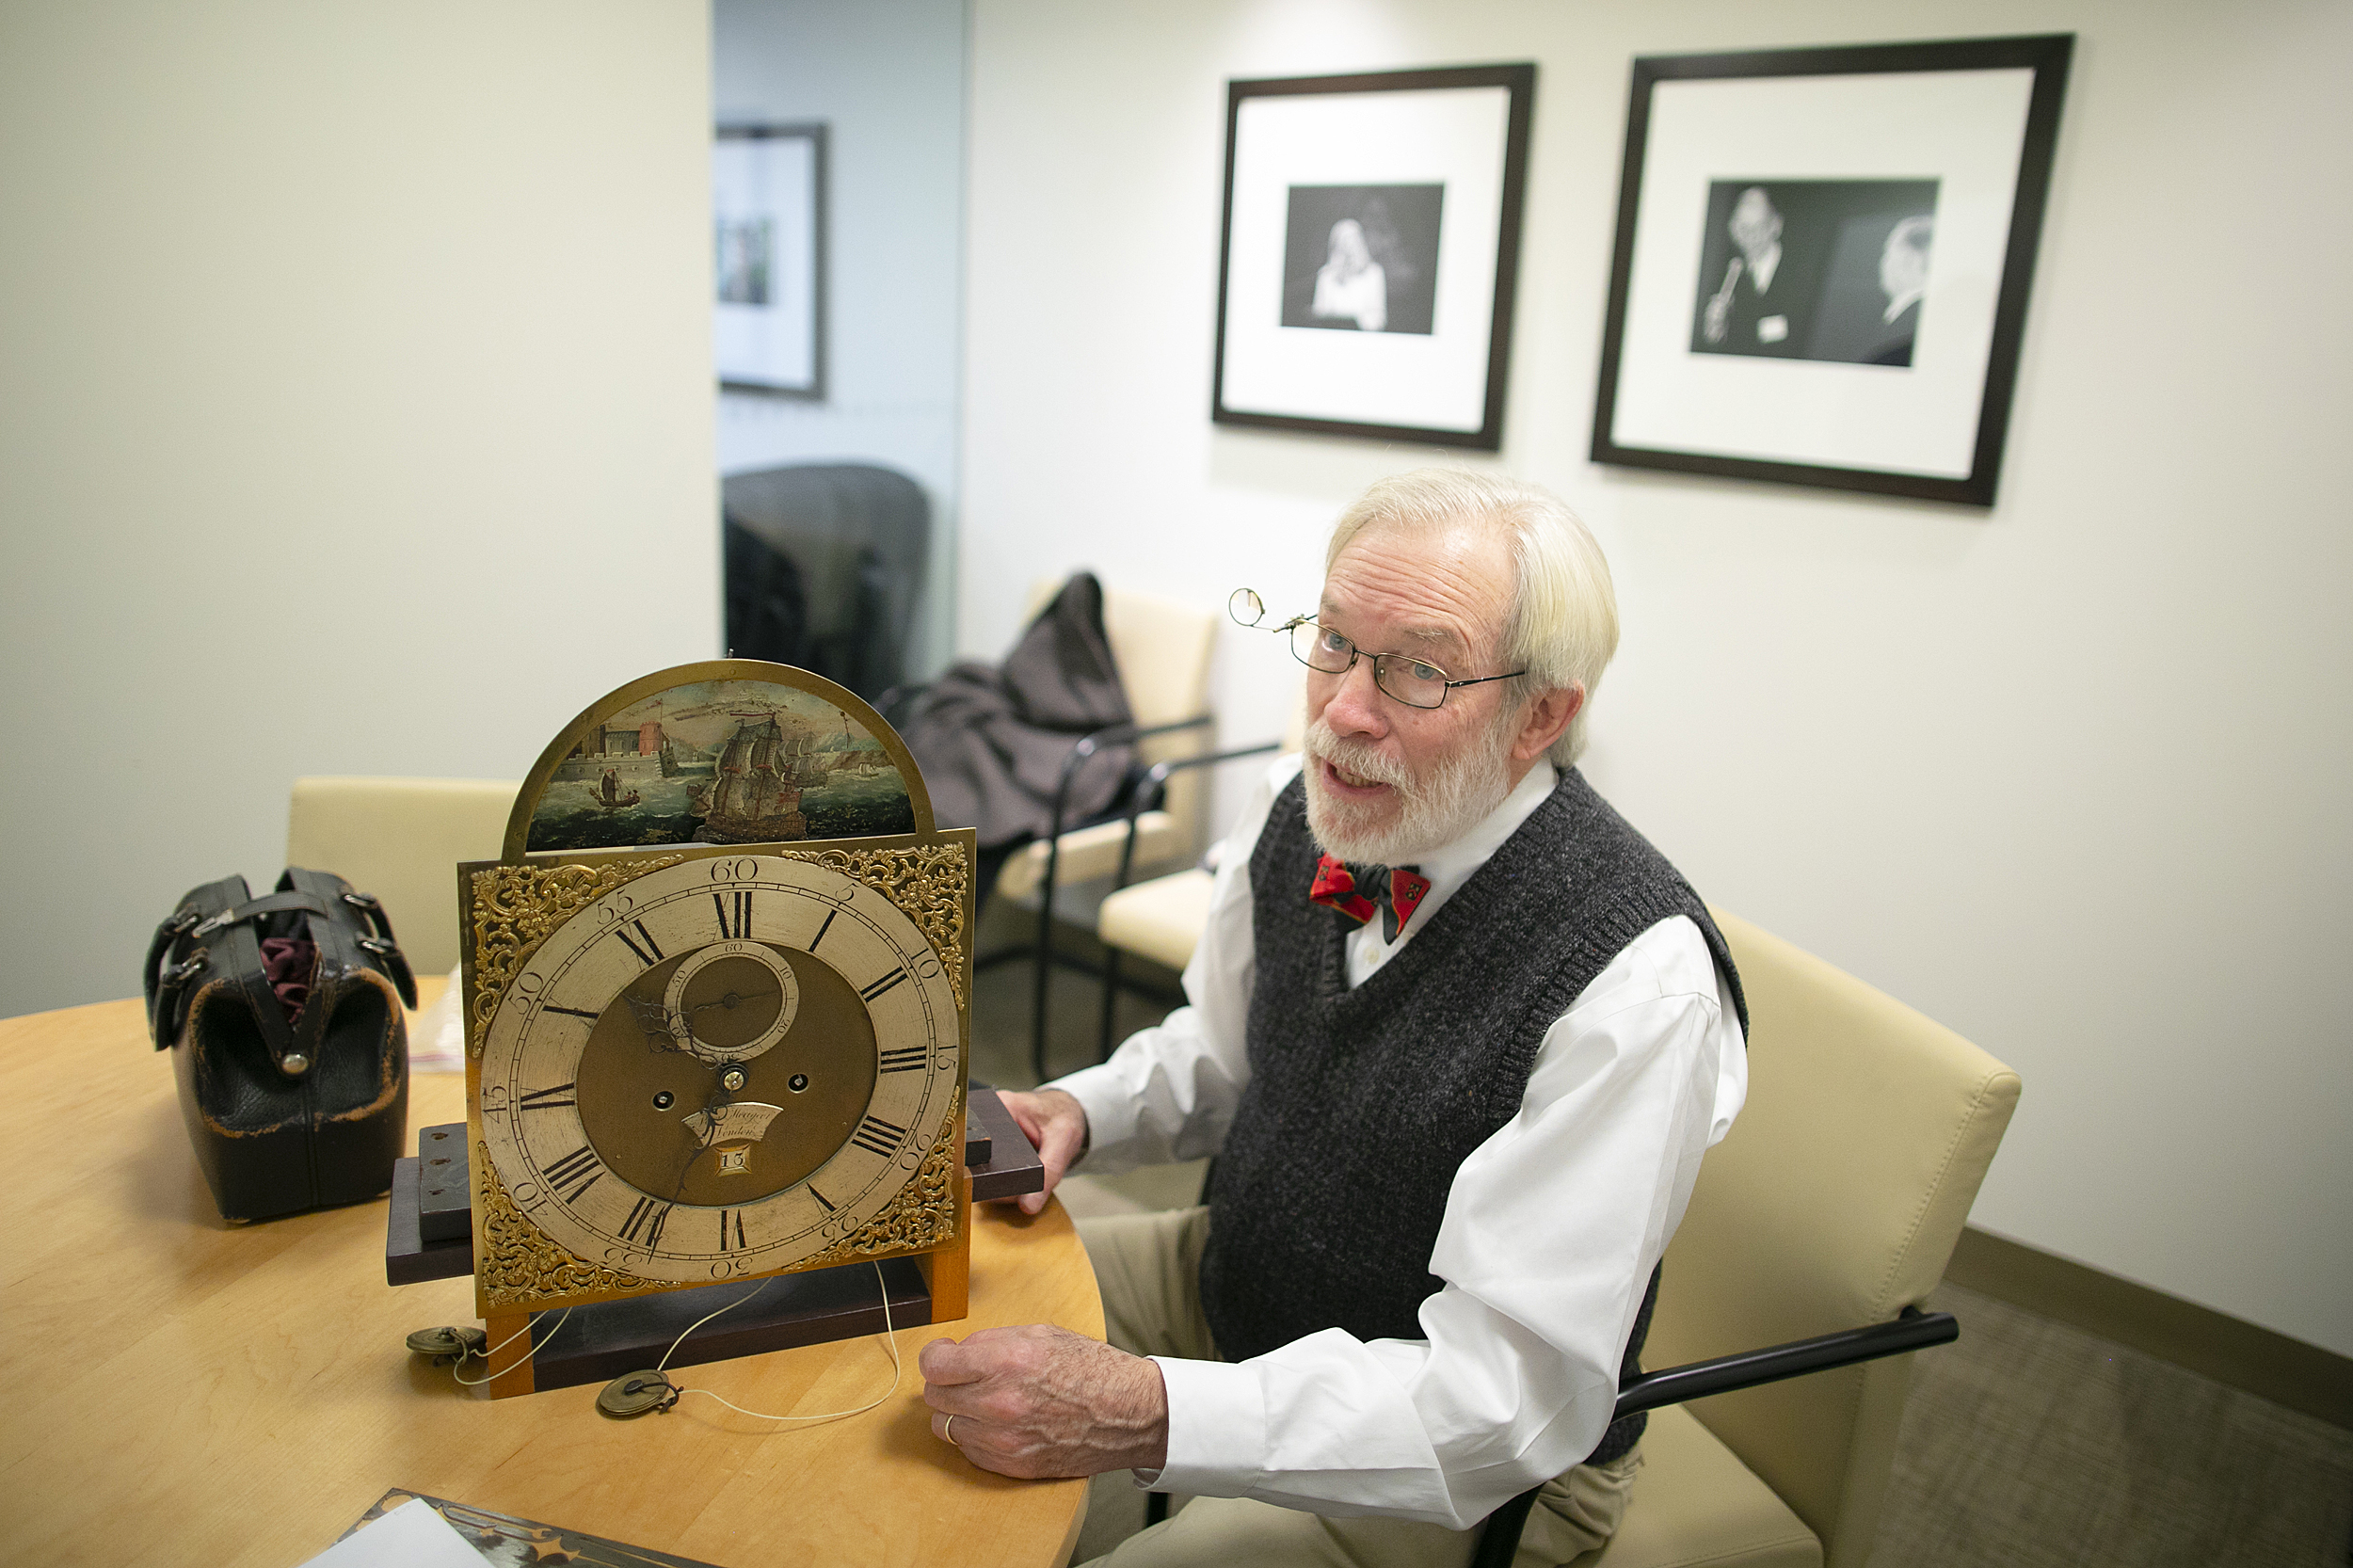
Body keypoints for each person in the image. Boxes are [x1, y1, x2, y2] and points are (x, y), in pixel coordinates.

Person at [919, 469, 1750, 1568]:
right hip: (1238, 1277)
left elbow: (1496, 1404)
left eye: (1418, 669)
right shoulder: (1306, 809)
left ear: (1540, 714)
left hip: (1466, 1476)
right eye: (1333, 642)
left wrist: (1146, 1411)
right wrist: (1081, 1109)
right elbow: (1219, 1056)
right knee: (904, 1329)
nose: (1342, 711)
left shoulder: (1633, 982)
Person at [1311, 218, 1388, 331]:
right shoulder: (1326, 275)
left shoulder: (1374, 273)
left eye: (1353, 241)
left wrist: (1358, 322)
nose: (1349, 247)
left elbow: (1379, 317)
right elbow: (1319, 313)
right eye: (1344, 241)